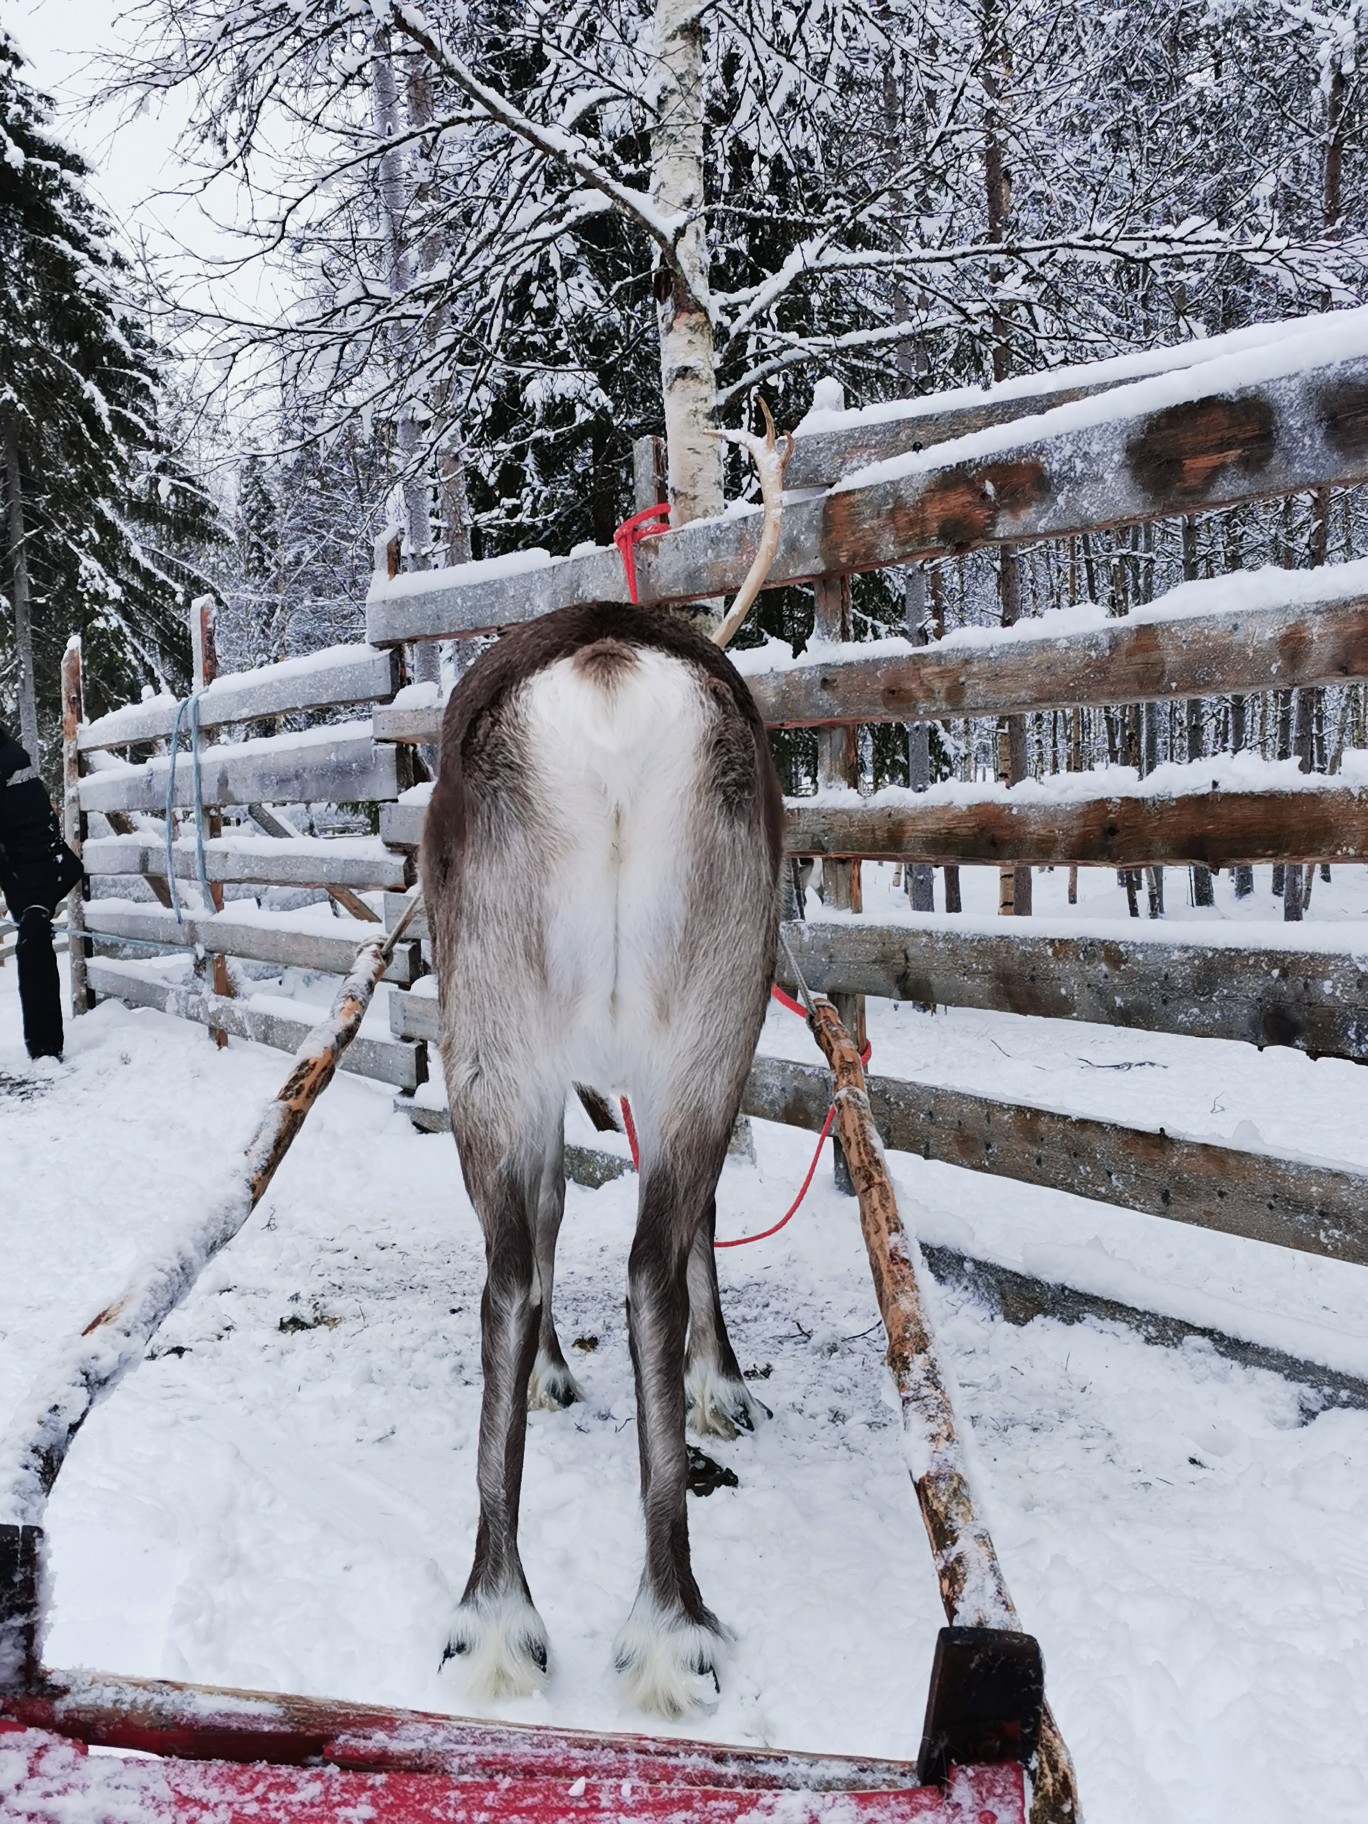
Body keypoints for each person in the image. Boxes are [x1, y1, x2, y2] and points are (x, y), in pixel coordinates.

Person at [0, 723, 84, 1060]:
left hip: (41, 868)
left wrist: (36, 901)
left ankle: (47, 1050)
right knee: (32, 944)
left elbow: (34, 831)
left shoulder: (10, 762)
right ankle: (44, 1048)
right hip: (20, 869)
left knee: (32, 941)